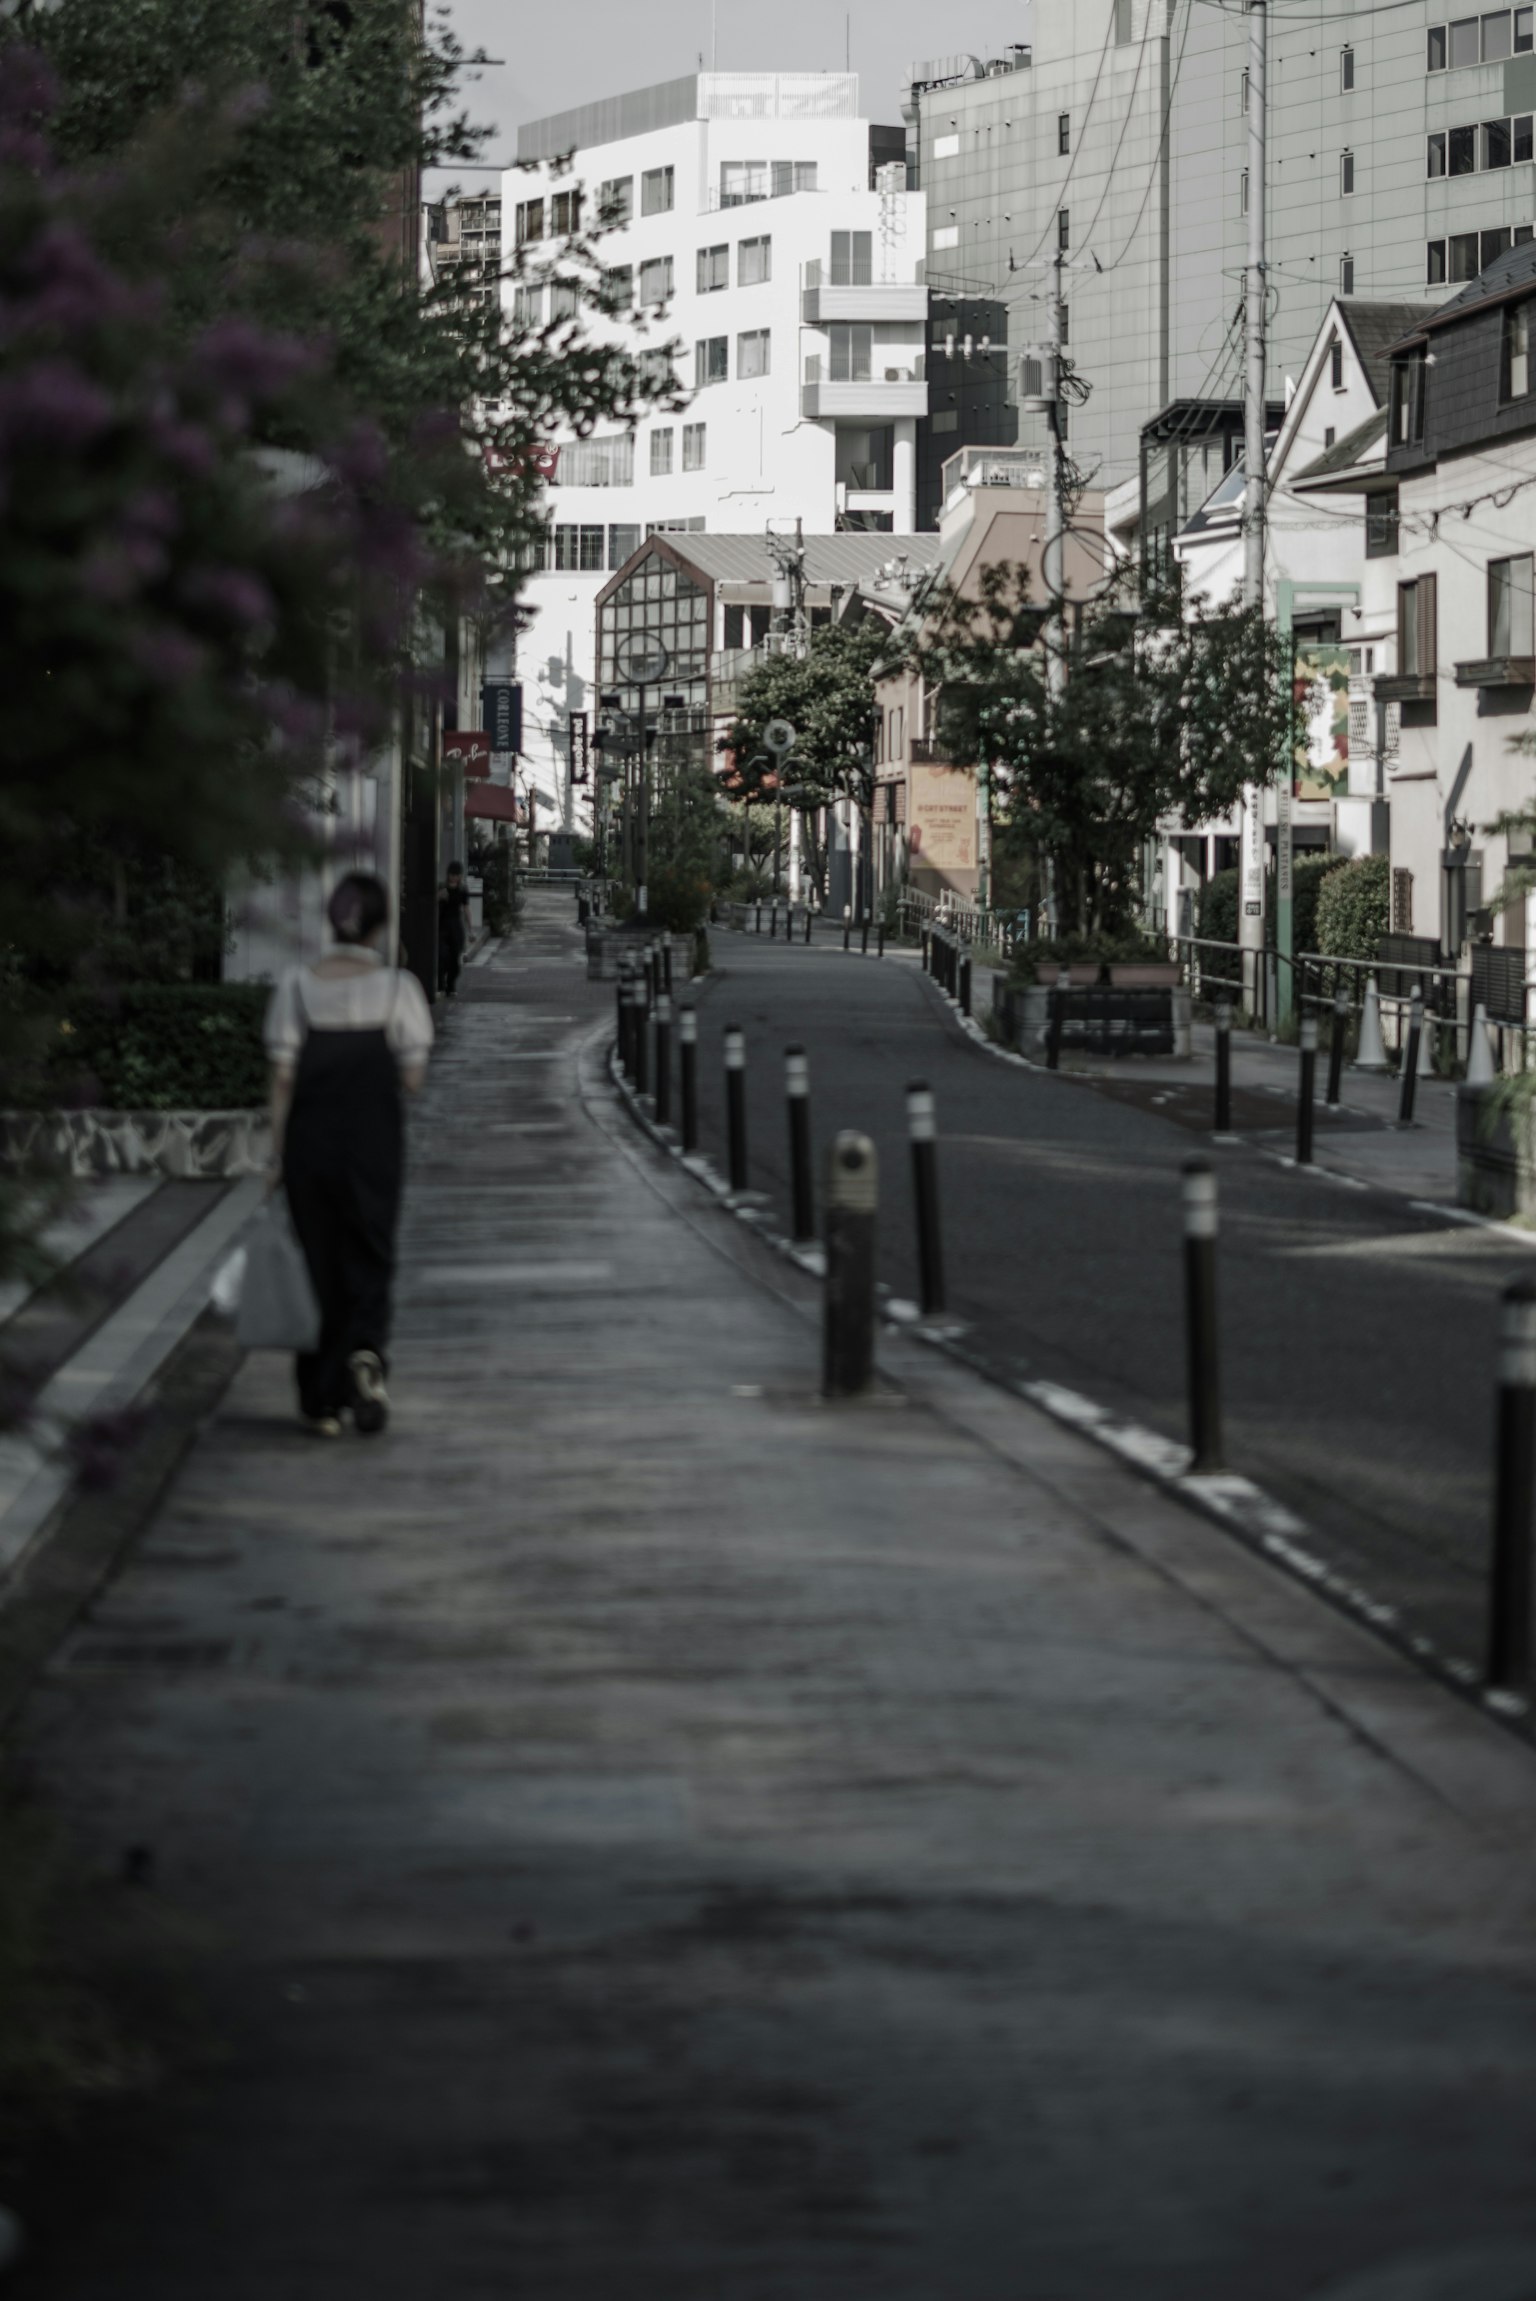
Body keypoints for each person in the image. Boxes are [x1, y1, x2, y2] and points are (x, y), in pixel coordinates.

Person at [263, 873, 434, 1438]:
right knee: (370, 1248)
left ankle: (323, 1399)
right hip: (373, 1144)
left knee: (318, 1258)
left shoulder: (295, 986)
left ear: (330, 922)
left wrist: (275, 1153)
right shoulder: (398, 989)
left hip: (311, 1143)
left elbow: (283, 1079)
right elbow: (412, 1078)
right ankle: (366, 1352)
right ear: (381, 925)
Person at [438, 860, 471, 996]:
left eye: (456, 875)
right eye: (452, 874)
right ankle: (441, 984)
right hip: (442, 925)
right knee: (442, 956)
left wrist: (470, 929)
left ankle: (451, 985)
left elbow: (466, 909)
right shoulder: (441, 887)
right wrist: (438, 896)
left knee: (455, 958)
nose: (454, 877)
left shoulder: (462, 890)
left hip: (456, 925)